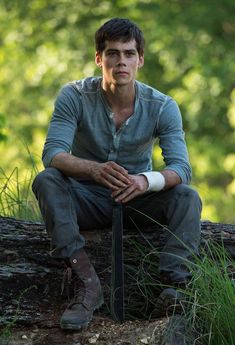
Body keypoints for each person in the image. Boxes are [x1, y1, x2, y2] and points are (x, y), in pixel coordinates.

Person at [32, 17, 202, 330]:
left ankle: (174, 288)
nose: (120, 61)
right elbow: (52, 155)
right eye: (112, 53)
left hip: (136, 200)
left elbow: (182, 168)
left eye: (128, 53)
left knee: (186, 198)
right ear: (99, 59)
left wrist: (144, 181)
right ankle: (86, 284)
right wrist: (93, 169)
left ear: (140, 60)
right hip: (84, 199)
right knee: (47, 180)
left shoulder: (163, 106)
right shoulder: (74, 96)